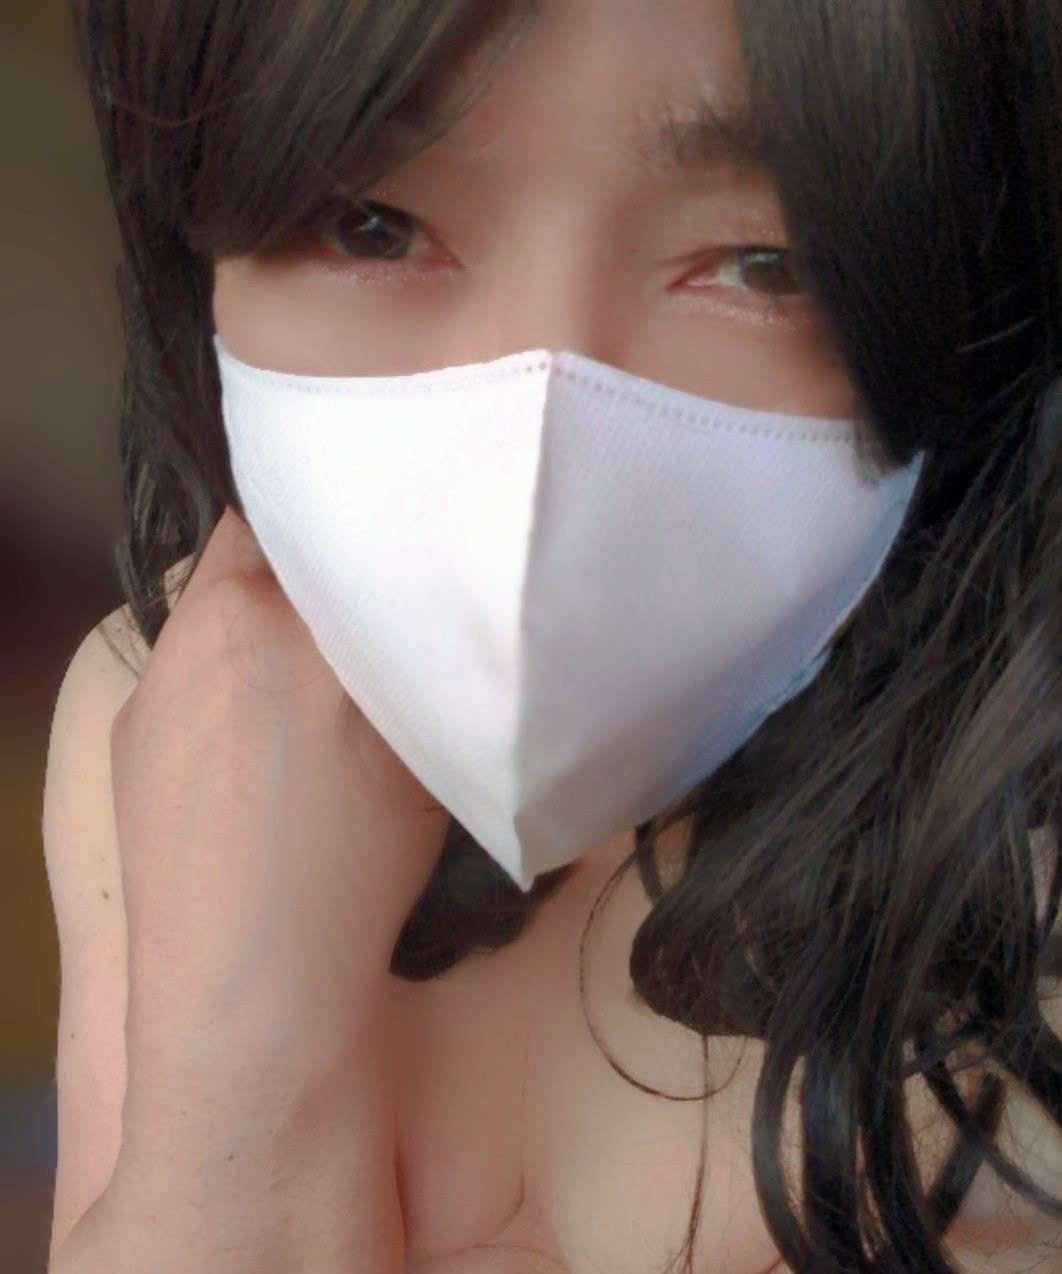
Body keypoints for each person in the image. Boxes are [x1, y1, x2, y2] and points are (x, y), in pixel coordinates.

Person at [42, 1, 1061, 1272]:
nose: (537, 450)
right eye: (373, 225)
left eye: (767, 265)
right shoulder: (160, 710)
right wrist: (236, 1080)